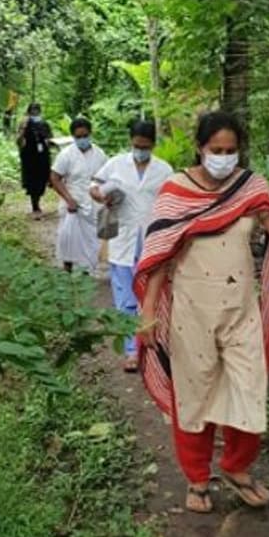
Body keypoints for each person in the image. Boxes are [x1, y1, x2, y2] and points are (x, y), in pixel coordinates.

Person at [134, 111, 269, 514]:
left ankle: (238, 469)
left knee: (248, 386)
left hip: (240, 310)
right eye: (215, 150)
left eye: (231, 151)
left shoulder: (251, 188)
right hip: (190, 311)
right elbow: (158, 259)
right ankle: (198, 480)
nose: (223, 157)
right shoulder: (175, 191)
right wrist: (149, 313)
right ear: (200, 149)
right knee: (194, 393)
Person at [90, 120, 173, 373]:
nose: (140, 151)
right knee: (125, 296)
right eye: (137, 146)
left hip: (152, 238)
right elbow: (94, 185)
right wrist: (100, 194)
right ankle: (131, 350)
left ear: (153, 145)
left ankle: (156, 342)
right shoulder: (116, 164)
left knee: (153, 293)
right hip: (122, 237)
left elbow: (171, 202)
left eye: (145, 147)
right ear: (131, 142)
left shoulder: (164, 170)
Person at [50, 117, 108, 273]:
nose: (82, 139)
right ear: (73, 137)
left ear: (90, 134)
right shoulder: (66, 154)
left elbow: (105, 177)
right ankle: (67, 269)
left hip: (93, 202)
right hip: (72, 201)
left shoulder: (99, 153)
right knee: (68, 238)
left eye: (85, 135)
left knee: (91, 240)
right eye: (78, 137)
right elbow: (55, 178)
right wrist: (68, 199)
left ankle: (86, 270)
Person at [16, 103, 52, 218]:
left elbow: (50, 138)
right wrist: (23, 130)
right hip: (29, 157)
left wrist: (48, 142)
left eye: (37, 110)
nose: (35, 113)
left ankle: (38, 200)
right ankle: (35, 206)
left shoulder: (44, 124)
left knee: (42, 179)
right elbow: (19, 141)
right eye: (33, 111)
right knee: (32, 181)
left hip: (42, 156)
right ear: (29, 112)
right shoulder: (25, 124)